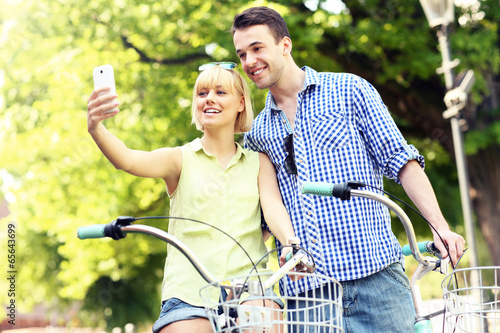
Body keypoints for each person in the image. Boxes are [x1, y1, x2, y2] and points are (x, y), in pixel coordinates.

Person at [231, 6, 466, 332]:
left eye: (257, 48)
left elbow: (402, 161)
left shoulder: (349, 90)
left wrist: (440, 226)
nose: (249, 62)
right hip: (309, 297)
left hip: (377, 281)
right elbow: (264, 216)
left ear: (285, 45)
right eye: (242, 54)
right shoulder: (257, 134)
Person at [86, 62, 297, 333]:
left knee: (263, 325)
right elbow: (127, 159)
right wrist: (96, 128)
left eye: (221, 92)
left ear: (241, 103)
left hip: (253, 290)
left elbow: (273, 209)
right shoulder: (179, 159)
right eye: (202, 93)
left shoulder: (259, 162)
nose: (209, 98)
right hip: (189, 295)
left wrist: (290, 242)